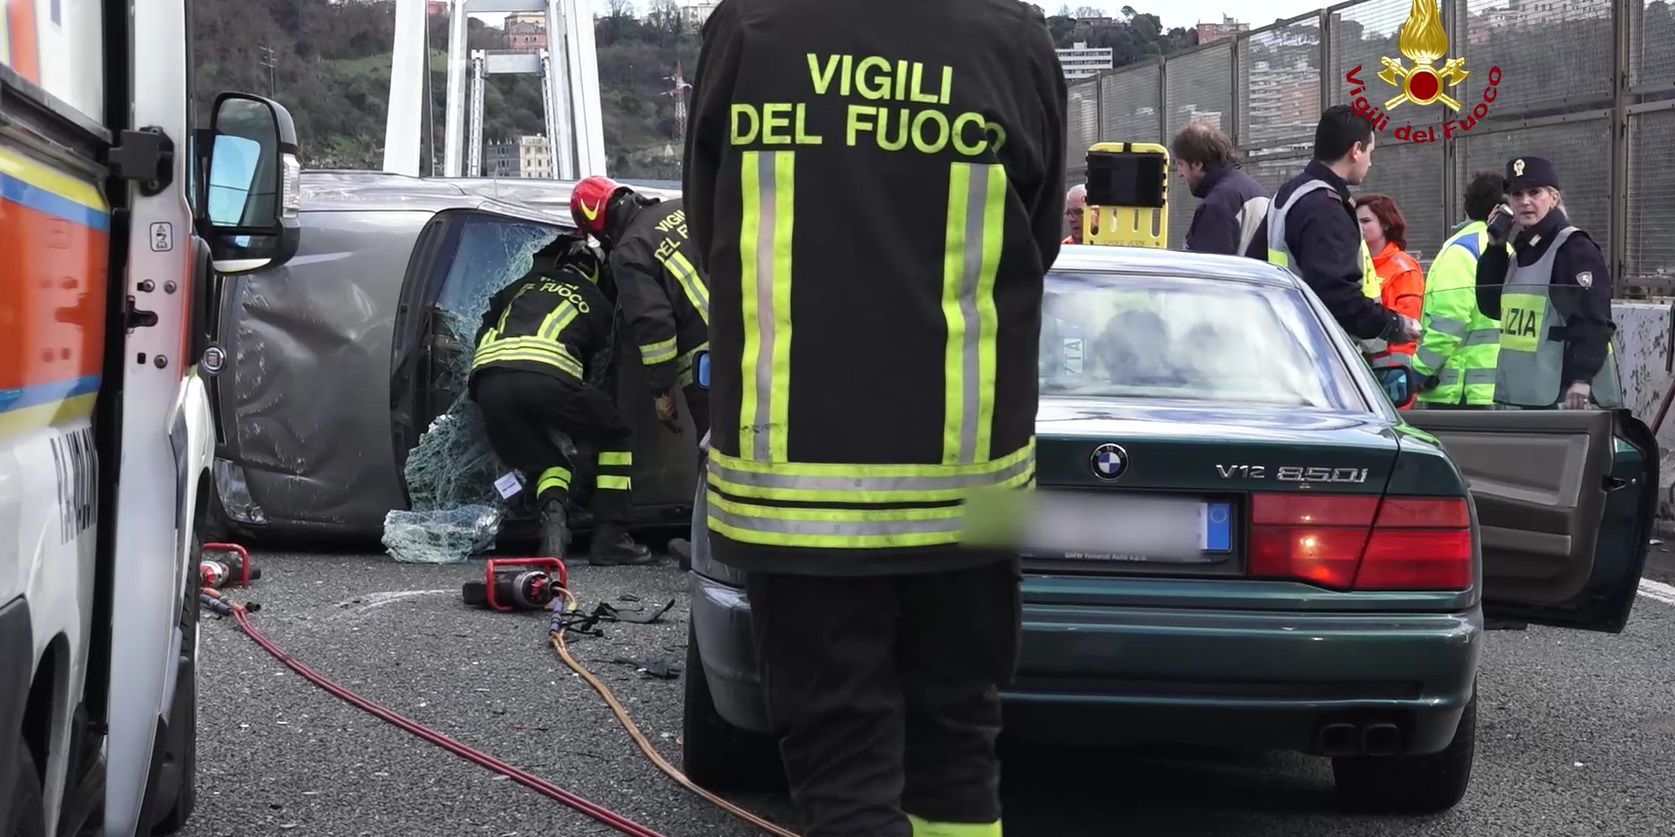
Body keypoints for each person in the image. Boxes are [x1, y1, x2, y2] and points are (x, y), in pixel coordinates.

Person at [682, 0, 1067, 832]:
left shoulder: (752, 26)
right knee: (958, 743)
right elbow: (1034, 243)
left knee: (839, 756)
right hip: (969, 481)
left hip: (797, 489)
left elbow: (709, 218)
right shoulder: (1011, 35)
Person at [468, 234, 656, 566]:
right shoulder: (598, 302)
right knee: (616, 433)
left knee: (550, 465)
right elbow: (599, 370)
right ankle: (611, 539)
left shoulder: (520, 285)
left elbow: (485, 325)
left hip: (490, 384)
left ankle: (552, 546)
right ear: (597, 274)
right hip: (546, 379)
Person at [568, 175, 711, 439]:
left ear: (598, 225)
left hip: (710, 366)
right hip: (760, 336)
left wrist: (662, 392)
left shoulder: (629, 252)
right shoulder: (681, 208)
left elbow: (654, 324)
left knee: (720, 452)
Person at [1267, 106, 1421, 349]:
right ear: (1356, 150)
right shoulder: (1324, 207)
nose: (1370, 162)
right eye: (1370, 152)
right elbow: (1337, 295)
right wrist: (1393, 324)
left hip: (1289, 338)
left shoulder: (1291, 194)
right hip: (1316, 347)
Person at [1476, 156, 1621, 410]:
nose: (1525, 201)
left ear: (1554, 197)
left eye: (1535, 192)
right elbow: (1491, 306)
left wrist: (1582, 381)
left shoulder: (1573, 249)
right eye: (1517, 194)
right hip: (1525, 396)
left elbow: (1594, 321)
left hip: (1567, 397)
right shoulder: (1521, 251)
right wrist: (1495, 247)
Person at [1413, 171, 1504, 408]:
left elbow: (1448, 322)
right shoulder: (1505, 250)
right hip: (1495, 388)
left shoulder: (1460, 251)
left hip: (1457, 389)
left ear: (1466, 206)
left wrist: (1421, 370)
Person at [1169, 122, 1269, 258]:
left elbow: (1206, 270)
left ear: (1197, 164)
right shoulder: (1254, 190)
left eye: (1181, 164)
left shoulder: (1217, 205)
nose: (1180, 173)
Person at [1354, 194, 1425, 384]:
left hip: (1390, 372)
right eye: (1355, 221)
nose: (1359, 227)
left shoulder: (1402, 268)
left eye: (1366, 221)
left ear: (1385, 224)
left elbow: (1409, 330)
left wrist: (1397, 379)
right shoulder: (1357, 263)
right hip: (1360, 370)